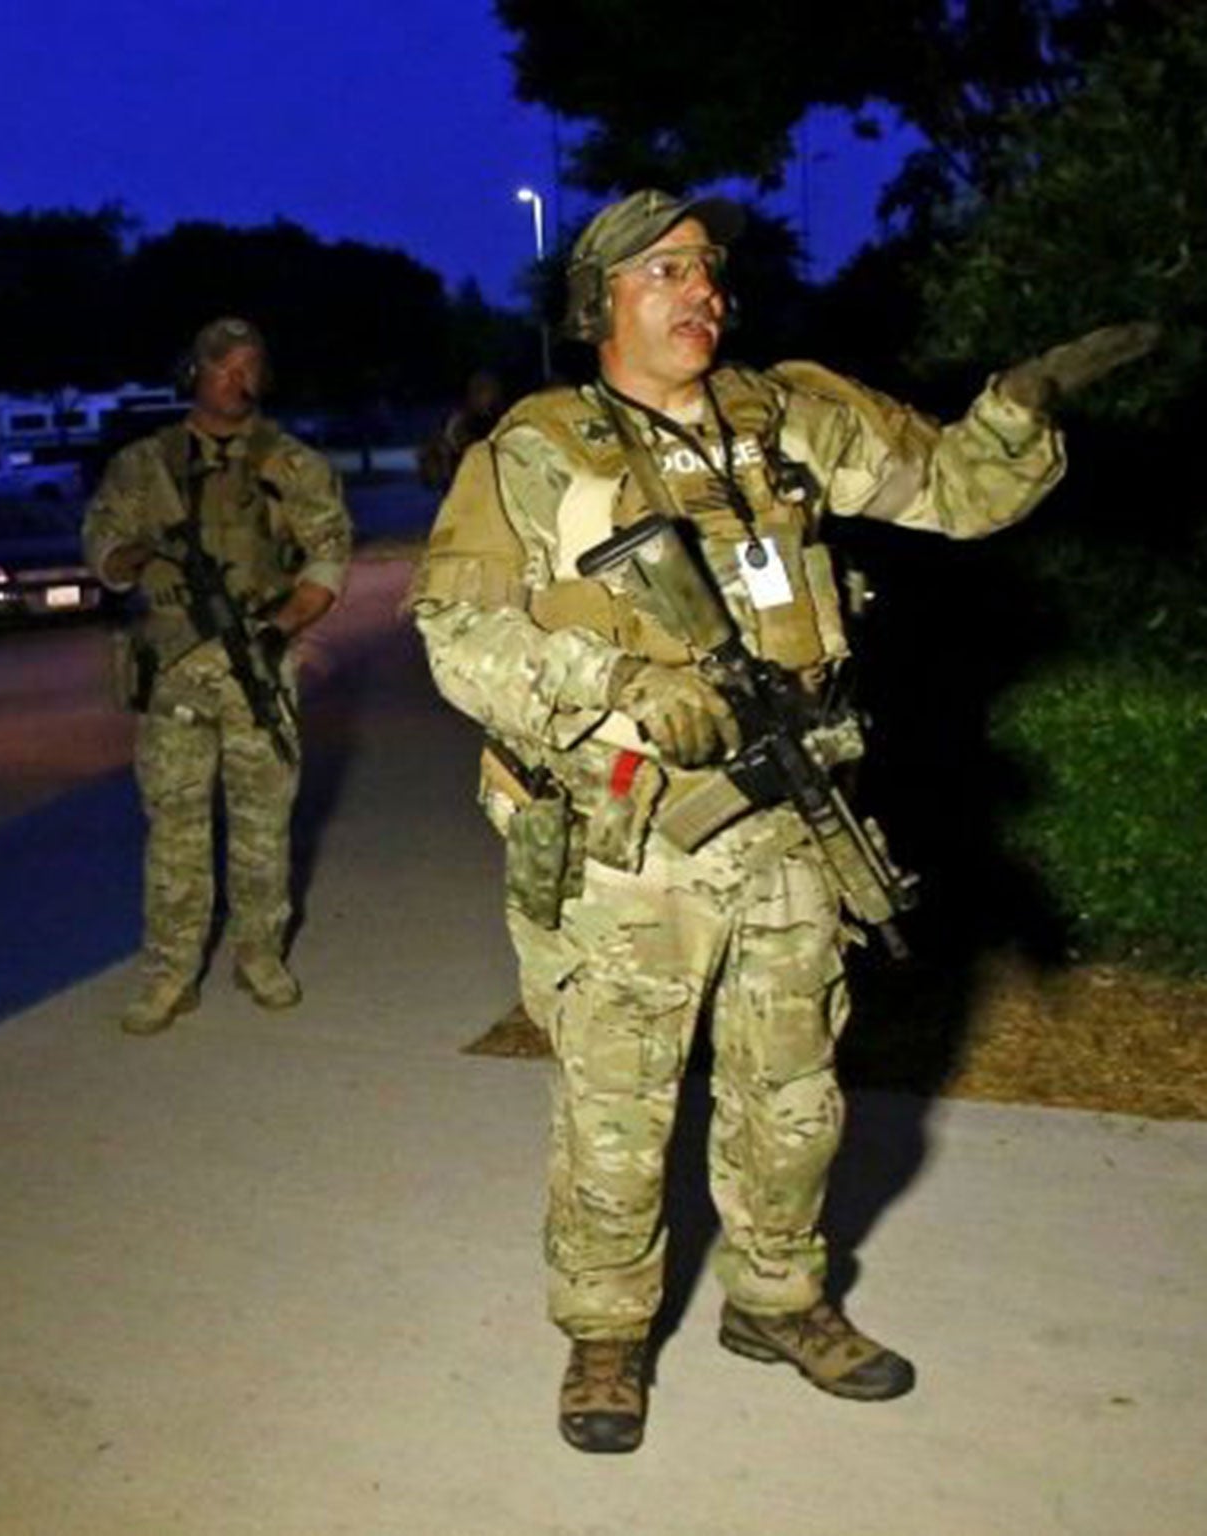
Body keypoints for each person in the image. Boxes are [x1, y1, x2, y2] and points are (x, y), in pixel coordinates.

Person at [408, 188, 1155, 1454]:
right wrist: (625, 691)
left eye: (706, 269)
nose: (698, 291)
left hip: (791, 820)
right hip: (628, 838)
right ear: (601, 304)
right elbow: (456, 633)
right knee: (618, 1104)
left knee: (795, 1089)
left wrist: (1017, 410)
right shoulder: (533, 451)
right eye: (662, 272)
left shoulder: (784, 416)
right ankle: (604, 1331)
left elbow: (956, 492)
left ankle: (777, 1298)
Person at [83, 317, 353, 1034]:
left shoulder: (292, 463)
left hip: (259, 663)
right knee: (176, 828)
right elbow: (103, 550)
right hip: (174, 669)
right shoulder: (145, 465)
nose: (240, 378)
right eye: (224, 365)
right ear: (193, 374)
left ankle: (260, 953)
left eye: (250, 365)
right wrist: (134, 555)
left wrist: (284, 623)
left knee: (265, 824)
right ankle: (171, 972)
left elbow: (328, 554)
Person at [418, 367, 507, 490]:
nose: (485, 398)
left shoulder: (507, 422)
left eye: (488, 391)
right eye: (479, 391)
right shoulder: (457, 425)